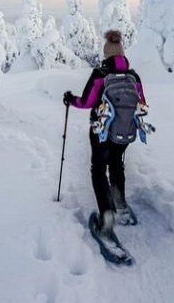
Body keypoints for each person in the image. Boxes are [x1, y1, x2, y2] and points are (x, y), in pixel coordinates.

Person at [63, 30, 146, 238]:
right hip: (125, 130)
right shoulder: (133, 76)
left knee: (99, 168)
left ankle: (107, 213)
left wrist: (70, 99)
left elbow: (87, 102)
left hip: (100, 131)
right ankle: (120, 202)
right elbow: (141, 102)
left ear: (106, 53)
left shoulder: (100, 74)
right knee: (117, 163)